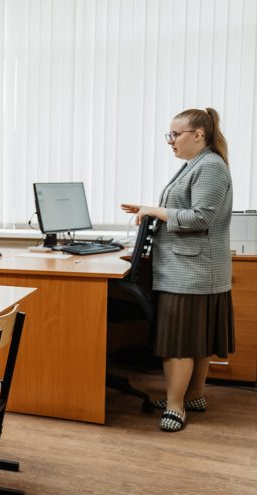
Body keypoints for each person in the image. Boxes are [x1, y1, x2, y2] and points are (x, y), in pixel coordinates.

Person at [121, 107, 234, 433]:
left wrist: (155, 210)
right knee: (196, 340)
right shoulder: (197, 164)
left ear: (198, 135)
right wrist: (151, 210)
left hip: (191, 270)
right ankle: (194, 396)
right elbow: (187, 210)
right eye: (168, 135)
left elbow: (201, 217)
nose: (170, 141)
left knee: (178, 343)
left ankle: (175, 406)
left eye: (176, 134)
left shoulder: (210, 167)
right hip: (192, 267)